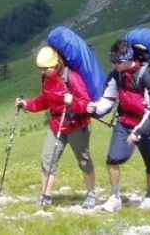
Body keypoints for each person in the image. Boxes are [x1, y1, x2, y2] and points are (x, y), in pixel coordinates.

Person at [16, 45, 97, 208]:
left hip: (76, 125)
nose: (43, 71)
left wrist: (72, 102)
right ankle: (46, 197)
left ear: (56, 64)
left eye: (46, 68)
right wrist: (27, 105)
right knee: (47, 159)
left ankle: (91, 194)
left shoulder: (72, 78)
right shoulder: (47, 80)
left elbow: (87, 105)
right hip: (56, 125)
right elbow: (45, 101)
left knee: (83, 160)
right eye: (41, 68)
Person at [87, 40, 150, 213]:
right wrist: (95, 108)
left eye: (118, 62)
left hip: (144, 123)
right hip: (124, 121)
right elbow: (108, 98)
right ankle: (115, 197)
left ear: (129, 59)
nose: (115, 65)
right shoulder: (117, 74)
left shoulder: (147, 75)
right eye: (113, 62)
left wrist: (139, 132)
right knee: (112, 159)